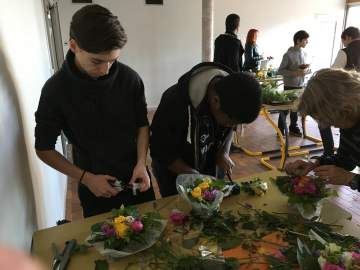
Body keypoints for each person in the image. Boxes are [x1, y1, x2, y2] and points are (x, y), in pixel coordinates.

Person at [34, 4, 155, 217]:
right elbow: (43, 148)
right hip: (93, 181)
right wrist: (86, 178)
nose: (106, 70)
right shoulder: (55, 90)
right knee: (105, 243)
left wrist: (141, 164)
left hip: (135, 176)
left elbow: (141, 124)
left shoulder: (130, 79)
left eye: (113, 60)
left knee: (150, 229)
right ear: (73, 46)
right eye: (97, 61)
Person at [150, 62, 262, 197]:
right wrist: (192, 175)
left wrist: (223, 152)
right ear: (215, 101)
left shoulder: (232, 94)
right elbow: (160, 150)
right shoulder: (174, 101)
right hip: (175, 174)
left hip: (208, 167)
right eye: (229, 122)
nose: (230, 126)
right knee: (181, 213)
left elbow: (228, 130)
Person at [286, 69, 360, 191]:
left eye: (330, 120)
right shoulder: (349, 122)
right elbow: (346, 160)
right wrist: (315, 163)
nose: (331, 126)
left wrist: (349, 178)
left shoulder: (347, 120)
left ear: (345, 109)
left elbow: (347, 172)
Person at [318, 26, 360, 157]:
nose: (344, 43)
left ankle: (331, 153)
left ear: (347, 37)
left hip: (346, 95)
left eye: (344, 40)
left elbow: (333, 72)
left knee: (325, 121)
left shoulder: (345, 52)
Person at [277, 30, 310, 137]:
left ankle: (293, 127)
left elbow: (304, 70)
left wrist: (307, 71)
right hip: (290, 86)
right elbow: (280, 71)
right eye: (305, 40)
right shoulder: (288, 54)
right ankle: (280, 130)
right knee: (285, 109)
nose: (307, 42)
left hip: (300, 85)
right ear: (298, 40)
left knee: (296, 109)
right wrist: (294, 73)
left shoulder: (304, 53)